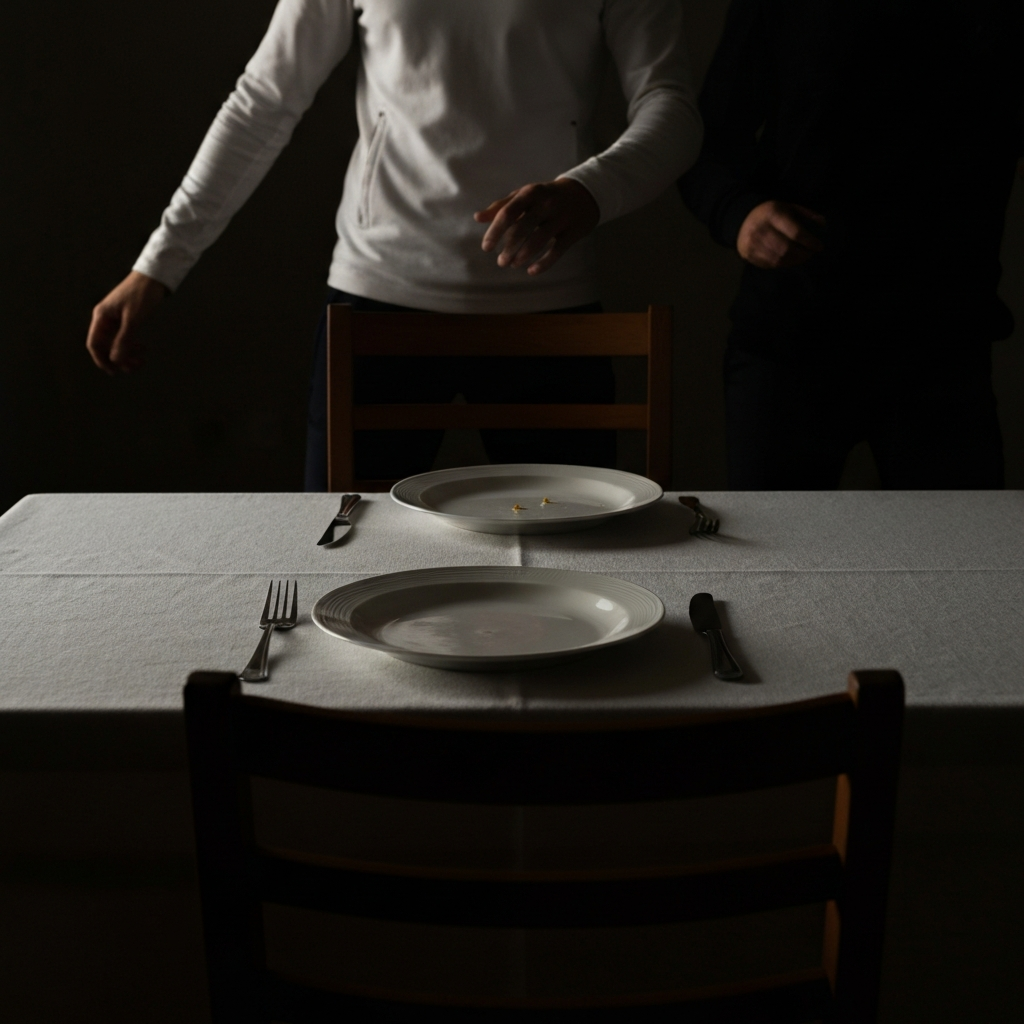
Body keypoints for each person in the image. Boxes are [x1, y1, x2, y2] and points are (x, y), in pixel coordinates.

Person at [86, 0, 702, 488]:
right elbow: (265, 102)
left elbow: (669, 104)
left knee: (576, 571)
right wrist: (159, 263)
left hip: (548, 302)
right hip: (378, 302)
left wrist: (589, 191)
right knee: (345, 566)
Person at [678, 0, 1024, 489]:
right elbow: (705, 143)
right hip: (791, 336)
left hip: (945, 343)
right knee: (776, 559)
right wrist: (739, 214)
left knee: (959, 561)